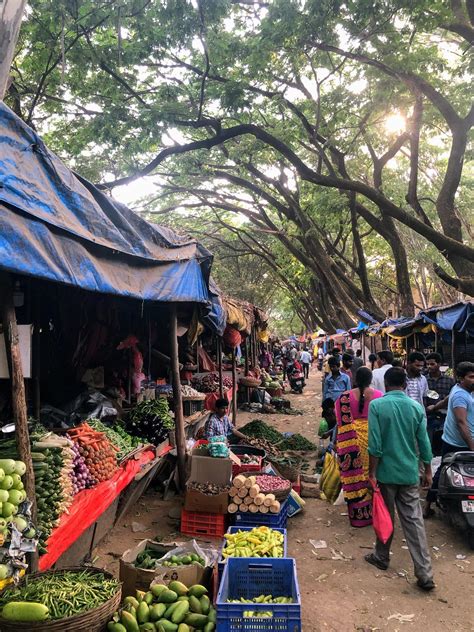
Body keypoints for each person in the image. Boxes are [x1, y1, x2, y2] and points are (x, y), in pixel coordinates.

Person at [366, 367, 434, 591]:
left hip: (385, 474)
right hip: (409, 473)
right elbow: (424, 442)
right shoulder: (416, 408)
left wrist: (372, 473)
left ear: (385, 384)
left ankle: (382, 557)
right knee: (414, 521)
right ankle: (424, 572)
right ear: (405, 385)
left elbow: (375, 445)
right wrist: (427, 470)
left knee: (385, 515)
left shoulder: (377, 406)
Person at [424, 361, 474, 518]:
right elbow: (461, 423)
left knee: (443, 469)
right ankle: (427, 505)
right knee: (444, 469)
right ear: (460, 378)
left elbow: (445, 400)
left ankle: (429, 504)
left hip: (455, 439)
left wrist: (434, 407)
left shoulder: (458, 389)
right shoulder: (460, 395)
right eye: (471, 377)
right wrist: (472, 447)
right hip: (458, 443)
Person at [335, 367, 383, 527]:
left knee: (355, 476)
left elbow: (340, 423)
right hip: (372, 439)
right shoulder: (378, 396)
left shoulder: (343, 398)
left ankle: (357, 517)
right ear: (371, 380)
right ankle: (373, 513)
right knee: (371, 475)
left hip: (351, 442)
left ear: (355, 378)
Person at [424, 352, 455, 452]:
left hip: (445, 416)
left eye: (432, 364)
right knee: (428, 444)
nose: (429, 366)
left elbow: (452, 398)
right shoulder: (424, 380)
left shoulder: (449, 380)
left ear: (439, 364)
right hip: (429, 416)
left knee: (444, 444)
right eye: (427, 364)